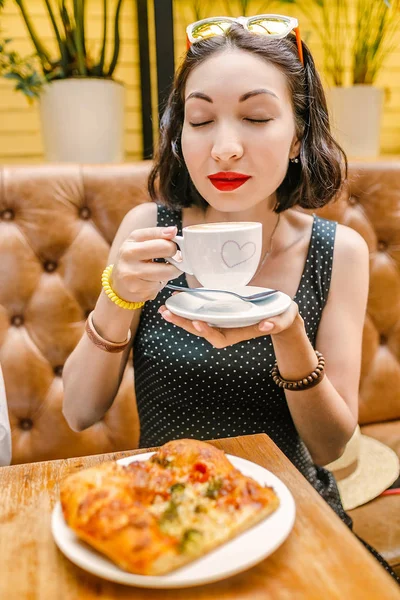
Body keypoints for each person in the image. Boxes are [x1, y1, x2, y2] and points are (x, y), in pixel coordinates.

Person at [62, 15, 399, 582]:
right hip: (161, 517)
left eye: (256, 117)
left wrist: (289, 335)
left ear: (297, 136)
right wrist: (116, 296)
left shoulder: (338, 251)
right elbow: (79, 411)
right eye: (200, 119)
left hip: (294, 514)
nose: (222, 148)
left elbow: (333, 449)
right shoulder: (148, 230)